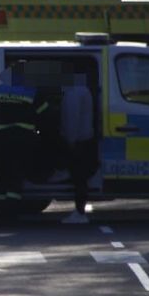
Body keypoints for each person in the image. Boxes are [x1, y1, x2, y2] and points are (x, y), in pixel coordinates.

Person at [0, 63, 48, 221]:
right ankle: (10, 214)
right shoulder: (32, 92)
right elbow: (45, 114)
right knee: (15, 175)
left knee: (0, 174)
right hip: (21, 139)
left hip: (0, 139)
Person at [58, 72, 97, 224]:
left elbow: (72, 119)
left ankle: (80, 212)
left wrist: (69, 141)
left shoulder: (73, 92)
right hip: (85, 139)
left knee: (79, 178)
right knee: (81, 177)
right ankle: (79, 211)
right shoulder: (82, 89)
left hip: (79, 141)